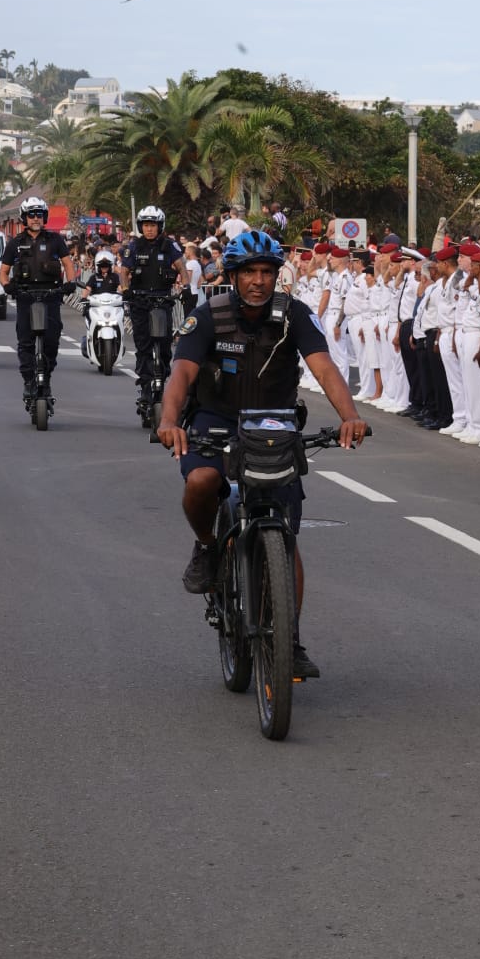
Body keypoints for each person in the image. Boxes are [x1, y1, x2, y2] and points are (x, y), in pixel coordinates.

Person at [157, 230, 368, 678]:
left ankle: (288, 640)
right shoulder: (209, 315)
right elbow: (181, 373)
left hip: (272, 422)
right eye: (249, 272)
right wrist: (169, 421)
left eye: (267, 272)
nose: (258, 280)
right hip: (213, 419)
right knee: (202, 481)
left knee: (284, 534)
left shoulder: (294, 315)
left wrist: (349, 415)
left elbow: (324, 367)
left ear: (277, 276)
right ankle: (208, 547)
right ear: (233, 275)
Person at [0, 196, 78, 411]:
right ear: (25, 217)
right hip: (25, 298)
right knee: (26, 343)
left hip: (51, 296)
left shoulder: (55, 240)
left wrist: (71, 283)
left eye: (39, 214)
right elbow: (3, 273)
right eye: (32, 214)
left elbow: (68, 265)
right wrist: (7, 286)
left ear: (44, 217)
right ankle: (28, 382)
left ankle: (46, 379)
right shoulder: (14, 243)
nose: (36, 218)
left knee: (51, 342)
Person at [120, 206, 192, 416]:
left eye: (153, 225)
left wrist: (186, 288)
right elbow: (124, 271)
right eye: (146, 225)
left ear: (160, 226)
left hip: (163, 300)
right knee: (143, 346)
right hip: (140, 301)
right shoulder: (134, 246)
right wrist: (125, 290)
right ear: (141, 227)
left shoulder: (169, 246)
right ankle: (144, 388)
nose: (149, 229)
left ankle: (163, 380)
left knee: (164, 346)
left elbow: (182, 268)